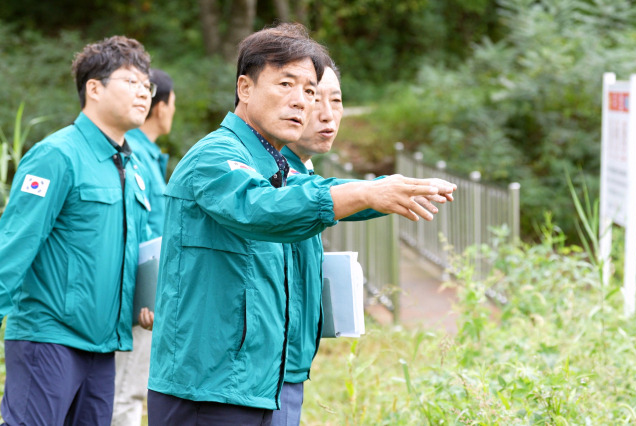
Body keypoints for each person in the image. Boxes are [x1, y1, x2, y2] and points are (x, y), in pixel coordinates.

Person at [147, 23, 456, 425]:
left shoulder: (273, 162)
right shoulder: (216, 156)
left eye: (309, 90)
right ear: (245, 88)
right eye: (286, 84)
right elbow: (262, 207)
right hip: (209, 388)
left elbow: (315, 190)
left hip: (258, 382)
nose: (301, 102)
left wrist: (385, 191)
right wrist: (366, 193)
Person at [274, 62, 453, 425]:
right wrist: (374, 192)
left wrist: (384, 191)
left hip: (287, 361)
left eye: (336, 100)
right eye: (312, 97)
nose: (327, 114)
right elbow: (318, 195)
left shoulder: (301, 169)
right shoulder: (273, 172)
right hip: (265, 366)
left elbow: (325, 191)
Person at [0, 35, 155, 425]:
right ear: (94, 88)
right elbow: (14, 245)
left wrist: (144, 302)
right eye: (131, 82)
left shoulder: (131, 167)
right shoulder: (57, 155)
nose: (143, 94)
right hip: (49, 339)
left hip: (103, 348)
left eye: (147, 85)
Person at [112, 68, 176, 426]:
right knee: (126, 393)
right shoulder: (134, 155)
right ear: (161, 106)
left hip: (145, 296)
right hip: (140, 299)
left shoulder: (147, 156)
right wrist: (146, 297)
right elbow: (142, 234)